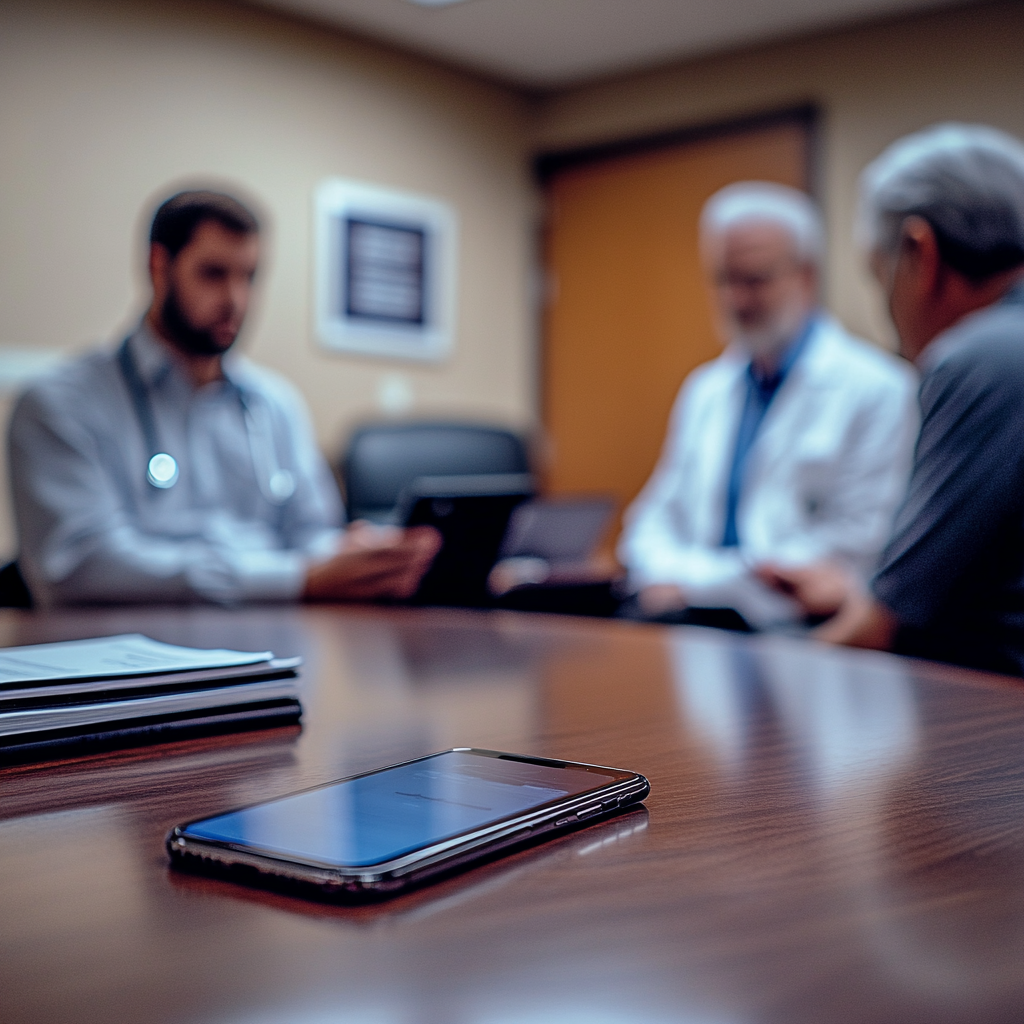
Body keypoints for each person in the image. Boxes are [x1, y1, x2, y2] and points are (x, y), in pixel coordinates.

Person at [9, 188, 439, 606]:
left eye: (248, 277)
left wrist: (358, 555)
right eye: (213, 273)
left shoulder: (275, 405)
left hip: (275, 645)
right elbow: (82, 565)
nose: (235, 300)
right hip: (125, 657)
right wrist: (292, 578)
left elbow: (311, 536)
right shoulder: (60, 403)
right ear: (159, 266)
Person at [758, 124, 1024, 675]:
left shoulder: (981, 356)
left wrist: (767, 691)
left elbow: (886, 621)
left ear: (919, 252)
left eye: (881, 278)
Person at [618, 182, 918, 629]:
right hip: (694, 631)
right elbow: (649, 528)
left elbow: (852, 553)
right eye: (723, 279)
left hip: (807, 637)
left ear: (806, 276)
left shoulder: (879, 390)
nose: (736, 299)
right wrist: (724, 579)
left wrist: (687, 579)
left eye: (754, 279)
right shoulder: (706, 391)